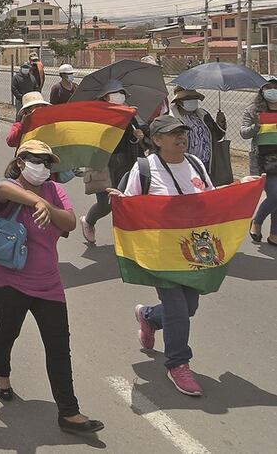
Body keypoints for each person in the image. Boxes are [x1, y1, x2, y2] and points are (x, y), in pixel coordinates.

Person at [112, 115, 255, 396]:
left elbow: (211, 202)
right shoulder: (145, 169)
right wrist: (119, 201)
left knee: (188, 308)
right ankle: (178, 363)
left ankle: (150, 317)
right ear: (157, 140)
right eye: (172, 133)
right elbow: (132, 210)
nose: (181, 137)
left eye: (182, 132)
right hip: (161, 255)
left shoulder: (196, 164)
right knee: (178, 310)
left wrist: (242, 187)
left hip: (193, 253)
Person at [0, 141, 104, 435]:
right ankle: (1, 374)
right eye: (34, 160)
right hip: (9, 280)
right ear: (20, 162)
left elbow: (69, 222)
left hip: (48, 282)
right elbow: (0, 189)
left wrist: (46, 204)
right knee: (7, 331)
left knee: (58, 346)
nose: (40, 166)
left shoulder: (54, 191)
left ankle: (69, 412)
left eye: (46, 162)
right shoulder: (10, 187)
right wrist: (34, 201)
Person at [79, 81, 146, 243]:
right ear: (105, 96)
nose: (119, 96)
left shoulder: (129, 112)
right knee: (105, 205)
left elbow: (134, 138)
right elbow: (88, 138)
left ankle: (126, 238)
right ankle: (88, 221)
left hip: (125, 162)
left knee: (125, 201)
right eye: (115, 93)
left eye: (122, 93)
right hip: (102, 164)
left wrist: (137, 136)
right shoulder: (95, 114)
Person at [241, 77, 277, 245]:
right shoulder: (253, 110)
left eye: (275, 87)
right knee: (275, 195)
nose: (272, 90)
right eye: (268, 87)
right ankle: (257, 221)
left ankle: (274, 234)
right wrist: (256, 125)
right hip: (263, 160)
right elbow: (244, 133)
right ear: (262, 91)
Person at [169, 87, 226, 178]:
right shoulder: (171, 119)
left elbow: (217, 136)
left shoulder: (203, 114)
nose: (192, 100)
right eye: (188, 98)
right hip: (185, 165)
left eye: (194, 98)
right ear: (179, 101)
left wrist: (220, 123)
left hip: (206, 164)